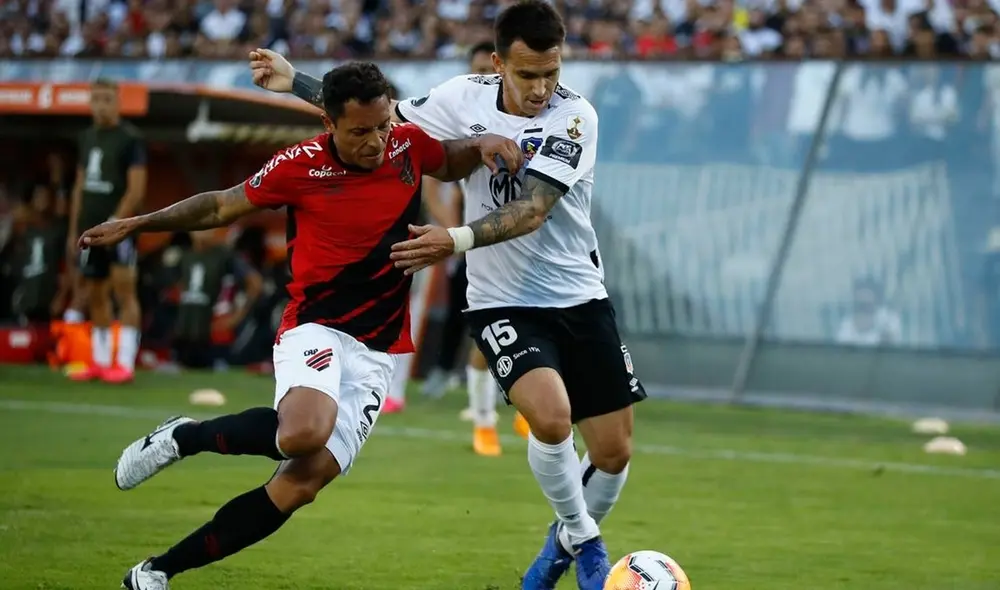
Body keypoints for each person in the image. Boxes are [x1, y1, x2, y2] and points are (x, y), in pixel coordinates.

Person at [79, 62, 522, 590]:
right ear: (327, 125)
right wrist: (137, 222)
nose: (377, 141)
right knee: (303, 433)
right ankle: (185, 436)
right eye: (360, 131)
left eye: (382, 126)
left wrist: (484, 144)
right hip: (318, 325)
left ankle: (156, 572)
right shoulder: (297, 166)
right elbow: (221, 206)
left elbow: (447, 159)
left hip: (378, 350)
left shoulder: (406, 145)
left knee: (300, 486)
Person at [249, 3, 645, 589]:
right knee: (552, 417)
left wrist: (451, 239)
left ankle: (557, 550)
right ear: (497, 64)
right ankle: (585, 542)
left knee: (613, 453)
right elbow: (379, 118)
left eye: (551, 74)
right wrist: (293, 82)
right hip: (501, 299)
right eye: (527, 74)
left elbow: (533, 209)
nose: (541, 89)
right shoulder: (462, 96)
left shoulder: (575, 118)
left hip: (580, 295)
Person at [419, 40, 531, 456]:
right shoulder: (461, 111)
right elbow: (433, 173)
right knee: (488, 335)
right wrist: (452, 232)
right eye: (478, 69)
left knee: (549, 329)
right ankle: (483, 419)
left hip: (537, 245)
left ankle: (529, 408)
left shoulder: (547, 110)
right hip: (482, 241)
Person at [66, 78, 147, 383]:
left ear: (117, 101)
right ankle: (100, 362)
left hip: (119, 230)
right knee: (95, 293)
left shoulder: (130, 139)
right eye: (95, 99)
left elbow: (136, 190)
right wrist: (74, 229)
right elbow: (79, 186)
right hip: (89, 230)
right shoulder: (86, 137)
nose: (100, 105)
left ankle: (124, 363)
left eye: (106, 99)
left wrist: (115, 222)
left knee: (124, 291)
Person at [172, 229, 263, 369]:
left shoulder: (225, 255)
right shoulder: (184, 255)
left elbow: (254, 283)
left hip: (214, 331)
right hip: (186, 329)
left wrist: (237, 316)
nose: (202, 232)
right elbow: (175, 286)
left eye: (206, 227)